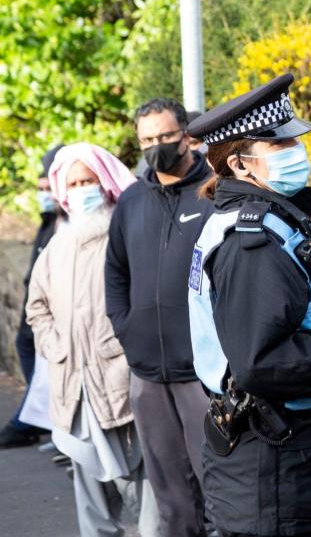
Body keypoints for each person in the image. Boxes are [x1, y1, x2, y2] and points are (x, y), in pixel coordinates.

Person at [187, 73, 311, 537]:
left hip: (281, 459)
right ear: (240, 164)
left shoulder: (261, 221)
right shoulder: (250, 241)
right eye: (281, 146)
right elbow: (264, 362)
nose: (300, 152)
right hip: (271, 462)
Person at [26, 143, 160, 537]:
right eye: (75, 182)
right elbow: (38, 308)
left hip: (123, 385)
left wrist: (123, 352)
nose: (83, 188)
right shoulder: (55, 248)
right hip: (75, 391)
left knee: (147, 492)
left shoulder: (129, 237)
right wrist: (57, 348)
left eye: (89, 180)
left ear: (104, 183)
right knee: (92, 502)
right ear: (63, 191)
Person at [104, 98, 214, 537]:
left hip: (202, 374)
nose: (156, 147)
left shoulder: (214, 191)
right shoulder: (131, 201)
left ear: (186, 134)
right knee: (170, 497)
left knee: (219, 488)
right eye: (147, 139)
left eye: (165, 136)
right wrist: (127, 331)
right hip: (148, 375)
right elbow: (115, 272)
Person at [0, 145, 63, 448]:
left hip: (52, 310)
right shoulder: (48, 218)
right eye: (40, 189)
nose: (44, 195)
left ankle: (32, 420)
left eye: (47, 188)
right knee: (26, 348)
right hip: (34, 306)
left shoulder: (65, 220)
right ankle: (37, 415)